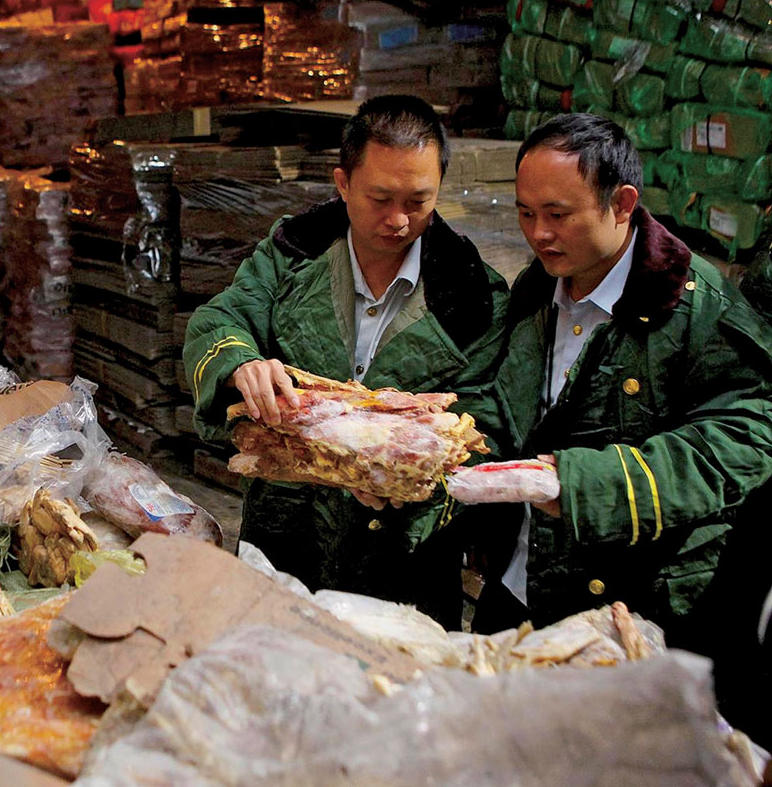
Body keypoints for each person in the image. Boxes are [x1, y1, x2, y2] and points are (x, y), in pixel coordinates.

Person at [470, 113, 772, 736]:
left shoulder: (697, 310)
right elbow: (499, 407)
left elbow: (745, 438)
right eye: (526, 213)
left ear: (623, 204)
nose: (538, 234)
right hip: (519, 592)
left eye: (558, 214)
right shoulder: (535, 291)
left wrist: (583, 485)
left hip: (627, 613)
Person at [183, 96, 509, 626]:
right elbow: (221, 320)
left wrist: (412, 483)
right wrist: (240, 363)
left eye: (418, 201)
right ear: (342, 183)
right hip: (283, 537)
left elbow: (488, 422)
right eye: (379, 198)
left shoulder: (473, 297)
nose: (398, 220)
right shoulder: (294, 253)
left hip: (403, 571)